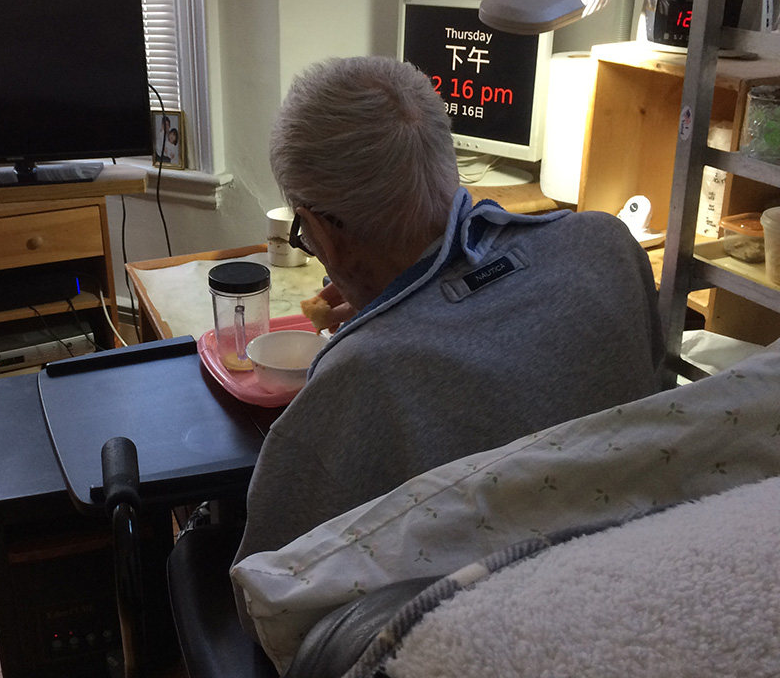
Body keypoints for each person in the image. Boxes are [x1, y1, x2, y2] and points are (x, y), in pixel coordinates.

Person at [232, 56, 663, 633]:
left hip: (484, 642)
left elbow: (267, 601)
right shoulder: (608, 247)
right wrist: (402, 311)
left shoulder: (360, 375)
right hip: (639, 586)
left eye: (304, 234)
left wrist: (386, 330)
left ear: (326, 236)